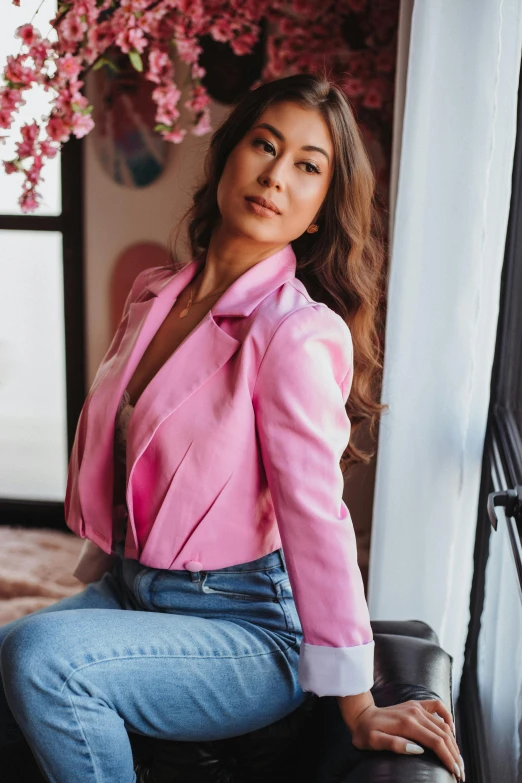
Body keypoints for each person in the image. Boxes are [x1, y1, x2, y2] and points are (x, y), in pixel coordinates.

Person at [0, 72, 464, 783]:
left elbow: (318, 517)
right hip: (134, 586)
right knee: (10, 653)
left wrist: (358, 701)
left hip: (245, 628)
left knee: (42, 658)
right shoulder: (157, 293)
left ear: (318, 212)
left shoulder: (294, 333)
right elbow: (128, 446)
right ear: (227, 159)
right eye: (264, 146)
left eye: (307, 167)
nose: (276, 176)